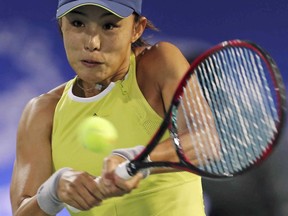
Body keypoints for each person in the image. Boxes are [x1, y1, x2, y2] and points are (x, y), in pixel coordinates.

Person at [10, 0, 212, 215]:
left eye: (109, 26)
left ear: (136, 29)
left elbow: (206, 141)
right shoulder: (42, 112)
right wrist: (52, 191)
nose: (92, 43)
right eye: (78, 23)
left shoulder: (158, 63)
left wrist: (136, 159)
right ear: (62, 25)